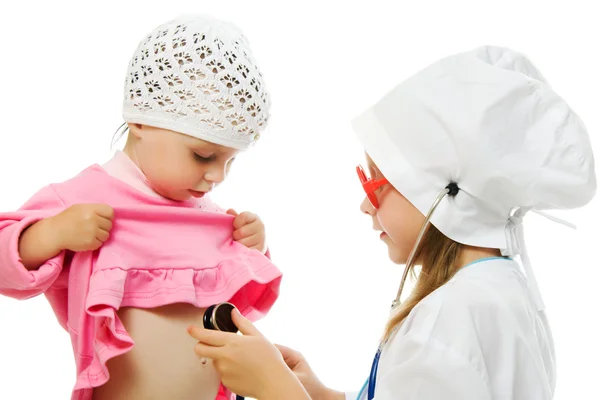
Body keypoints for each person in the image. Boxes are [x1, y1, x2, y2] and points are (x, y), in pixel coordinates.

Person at [188, 45, 597, 400]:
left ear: (439, 190)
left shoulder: (450, 319)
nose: (366, 207)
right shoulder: (496, 291)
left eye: (375, 183)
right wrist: (325, 396)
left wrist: (278, 389)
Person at [0, 14, 281, 400]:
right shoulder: (84, 200)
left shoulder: (209, 216)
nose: (217, 176)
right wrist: (51, 234)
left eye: (230, 161)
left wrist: (253, 246)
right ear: (140, 122)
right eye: (203, 156)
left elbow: (232, 306)